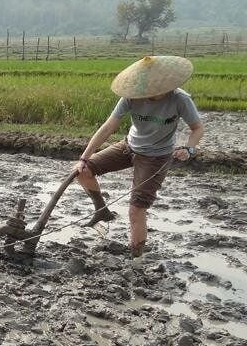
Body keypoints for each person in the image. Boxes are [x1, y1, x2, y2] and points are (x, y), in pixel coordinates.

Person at [74, 55, 205, 258]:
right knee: (83, 171)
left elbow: (197, 129)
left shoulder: (180, 99)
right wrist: (84, 157)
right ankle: (101, 210)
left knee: (136, 209)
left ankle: (137, 259)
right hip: (129, 146)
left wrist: (189, 148)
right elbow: (108, 127)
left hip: (156, 157)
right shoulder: (131, 97)